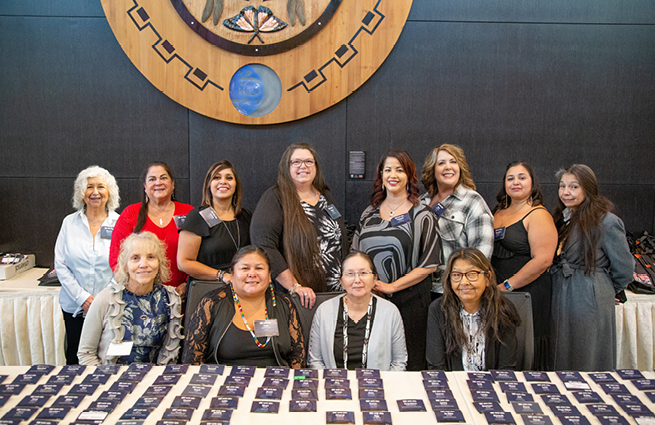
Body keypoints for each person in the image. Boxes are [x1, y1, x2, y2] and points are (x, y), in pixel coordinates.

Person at [352, 149, 440, 371]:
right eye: (387, 169)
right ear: (381, 176)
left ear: (409, 176)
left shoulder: (423, 214)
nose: (393, 175)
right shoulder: (368, 214)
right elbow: (355, 255)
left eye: (399, 170)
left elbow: (429, 264)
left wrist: (391, 286)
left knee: (409, 364)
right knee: (373, 359)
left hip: (411, 302)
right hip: (371, 299)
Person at [551, 164, 633, 371]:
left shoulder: (606, 221)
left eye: (574, 187)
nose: (566, 192)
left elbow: (624, 267)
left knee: (587, 351)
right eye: (562, 186)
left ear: (588, 188)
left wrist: (606, 289)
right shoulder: (563, 219)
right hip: (562, 289)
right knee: (561, 349)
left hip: (589, 292)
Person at [250, 143, 348, 308]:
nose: (303, 166)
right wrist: (294, 286)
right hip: (300, 297)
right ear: (286, 167)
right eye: (296, 162)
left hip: (335, 294)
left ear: (316, 166)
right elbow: (264, 245)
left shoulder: (326, 196)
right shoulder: (275, 198)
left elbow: (340, 233)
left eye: (309, 161)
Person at [182, 246, 305, 368]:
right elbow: (192, 361)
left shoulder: (284, 303)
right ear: (232, 273)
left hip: (276, 382)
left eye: (259, 268)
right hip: (225, 383)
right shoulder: (212, 303)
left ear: (269, 275)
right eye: (245, 268)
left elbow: (298, 358)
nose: (252, 274)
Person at [78, 232, 183, 365]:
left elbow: (171, 354)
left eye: (150, 257)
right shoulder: (105, 299)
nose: (143, 264)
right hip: (110, 380)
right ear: (125, 266)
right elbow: (86, 353)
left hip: (155, 381)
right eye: (135, 258)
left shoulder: (170, 299)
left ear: (159, 263)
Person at [491, 161, 557, 370]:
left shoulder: (538, 214)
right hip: (499, 292)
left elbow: (543, 260)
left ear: (532, 183)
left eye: (522, 177)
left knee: (526, 343)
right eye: (510, 178)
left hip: (528, 293)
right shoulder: (498, 212)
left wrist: (508, 286)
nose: (515, 182)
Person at [54, 166, 121, 365]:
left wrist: (100, 299)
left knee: (108, 357)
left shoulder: (120, 223)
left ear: (109, 192)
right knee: (75, 357)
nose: (95, 192)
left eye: (101, 187)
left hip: (109, 305)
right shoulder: (69, 223)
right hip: (74, 306)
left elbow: (123, 265)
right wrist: (83, 298)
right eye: (89, 187)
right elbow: (60, 264)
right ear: (81, 193)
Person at [308, 251, 407, 371]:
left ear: (375, 278)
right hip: (334, 386)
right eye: (350, 274)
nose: (357, 280)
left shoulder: (390, 312)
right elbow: (315, 360)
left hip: (378, 387)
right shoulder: (324, 311)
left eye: (363, 273)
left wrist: (383, 387)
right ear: (341, 281)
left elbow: (399, 362)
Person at [426, 248, 521, 371]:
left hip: (492, 386)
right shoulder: (438, 310)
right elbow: (436, 367)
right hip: (453, 386)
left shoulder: (503, 310)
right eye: (456, 275)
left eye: (472, 274)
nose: (464, 282)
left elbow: (506, 369)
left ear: (487, 278)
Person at [419, 144, 494, 299]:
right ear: (432, 169)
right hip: (423, 289)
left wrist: (465, 286)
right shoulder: (421, 203)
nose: (448, 167)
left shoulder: (473, 201)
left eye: (453, 162)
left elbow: (482, 254)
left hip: (456, 291)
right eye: (441, 163)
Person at [109, 161, 193, 296]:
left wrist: (188, 283)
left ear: (172, 184)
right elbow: (116, 256)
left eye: (163, 178)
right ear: (145, 187)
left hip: (181, 296)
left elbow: (202, 254)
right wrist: (134, 289)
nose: (158, 182)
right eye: (152, 179)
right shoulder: (130, 214)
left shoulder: (189, 213)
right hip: (140, 297)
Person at [177, 161, 251, 284]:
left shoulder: (246, 217)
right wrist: (222, 275)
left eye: (229, 178)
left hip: (242, 287)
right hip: (208, 288)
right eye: (217, 177)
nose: (223, 181)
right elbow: (183, 262)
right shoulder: (197, 217)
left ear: (236, 185)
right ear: (208, 185)